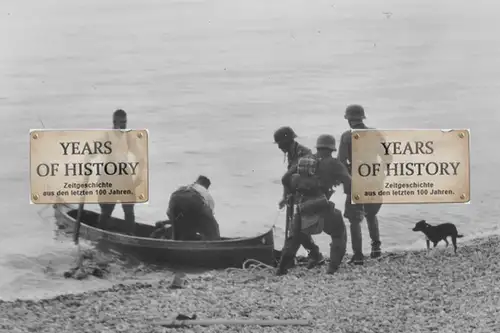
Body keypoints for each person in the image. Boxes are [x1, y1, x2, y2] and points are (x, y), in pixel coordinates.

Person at [278, 134, 364, 275]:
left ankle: (281, 269)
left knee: (294, 238)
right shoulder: (334, 163)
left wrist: (289, 194)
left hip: (303, 206)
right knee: (338, 233)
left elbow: (285, 178)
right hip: (322, 204)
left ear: (317, 147)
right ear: (331, 149)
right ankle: (332, 269)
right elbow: (350, 183)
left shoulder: (304, 160)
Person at [337, 104, 391, 264]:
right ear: (362, 118)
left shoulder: (347, 136)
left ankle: (358, 255)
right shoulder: (376, 134)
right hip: (374, 179)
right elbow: (388, 158)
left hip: (356, 180)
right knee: (372, 215)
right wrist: (379, 176)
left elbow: (341, 162)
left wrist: (347, 178)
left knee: (355, 219)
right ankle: (376, 249)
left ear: (349, 120)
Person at [273, 126, 324, 269]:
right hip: (295, 195)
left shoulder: (304, 154)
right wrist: (285, 196)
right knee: (297, 227)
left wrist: (289, 194)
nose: (279, 147)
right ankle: (312, 254)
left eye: (279, 144)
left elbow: (290, 177)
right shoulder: (291, 152)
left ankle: (311, 254)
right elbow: (289, 178)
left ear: (287, 141)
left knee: (298, 227)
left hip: (307, 195)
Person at [92, 109, 145, 235]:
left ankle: (130, 237)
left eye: (125, 123)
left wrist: (140, 176)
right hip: (109, 176)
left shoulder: (128, 138)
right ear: (114, 122)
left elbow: (140, 157)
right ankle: (101, 237)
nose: (123, 126)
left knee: (129, 212)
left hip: (124, 175)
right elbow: (92, 153)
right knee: (106, 212)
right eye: (121, 123)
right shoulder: (106, 137)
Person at [165, 175, 220, 241]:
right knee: (213, 228)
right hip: (194, 199)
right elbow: (208, 219)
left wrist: (170, 223)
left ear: (196, 182)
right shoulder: (206, 194)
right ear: (206, 186)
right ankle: (214, 245)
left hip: (175, 198)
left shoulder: (185, 187)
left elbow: (169, 213)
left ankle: (176, 242)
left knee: (180, 230)